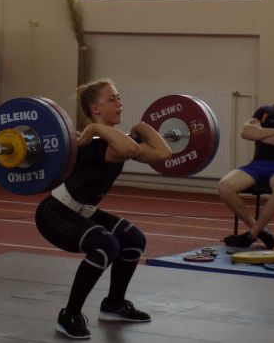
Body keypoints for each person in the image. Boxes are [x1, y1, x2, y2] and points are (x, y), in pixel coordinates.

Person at [35, 79, 172, 340]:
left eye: (119, 97)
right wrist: (97, 127)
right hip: (55, 213)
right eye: (112, 99)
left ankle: (114, 304)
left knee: (133, 239)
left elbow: (163, 154)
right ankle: (69, 315)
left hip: (82, 211)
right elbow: (130, 148)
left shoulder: (113, 141)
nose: (120, 103)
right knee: (105, 245)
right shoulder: (94, 142)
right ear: (95, 108)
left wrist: (143, 127)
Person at [218, 69, 274, 250]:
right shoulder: (263, 111)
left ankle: (251, 235)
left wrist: (260, 134)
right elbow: (246, 132)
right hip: (258, 165)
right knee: (224, 186)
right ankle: (262, 232)